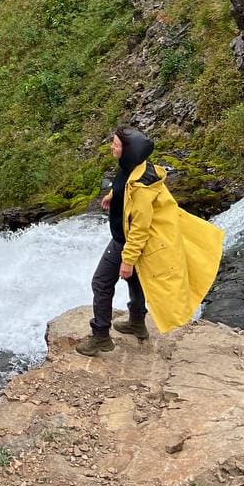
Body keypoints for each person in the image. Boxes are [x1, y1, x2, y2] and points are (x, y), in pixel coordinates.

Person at [75, 125, 225, 355]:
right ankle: (136, 322)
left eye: (115, 144)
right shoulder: (136, 167)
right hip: (127, 238)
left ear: (127, 150)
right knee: (135, 280)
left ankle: (101, 336)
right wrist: (113, 195)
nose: (111, 147)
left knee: (101, 283)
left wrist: (128, 259)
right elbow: (125, 186)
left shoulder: (142, 188)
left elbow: (140, 228)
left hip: (126, 241)